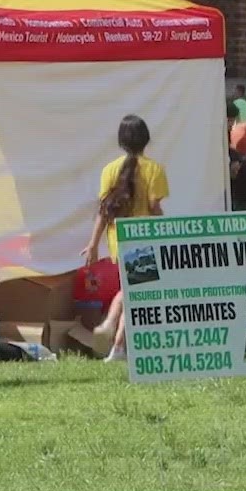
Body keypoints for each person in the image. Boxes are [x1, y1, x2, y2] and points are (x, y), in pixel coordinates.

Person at [81, 115, 168, 361]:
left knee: (132, 289)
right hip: (145, 238)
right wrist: (165, 225)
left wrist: (93, 244)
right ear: (146, 139)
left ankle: (117, 343)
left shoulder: (109, 169)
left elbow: (104, 211)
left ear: (121, 141)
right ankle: (112, 330)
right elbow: (153, 206)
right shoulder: (154, 169)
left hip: (118, 239)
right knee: (135, 292)